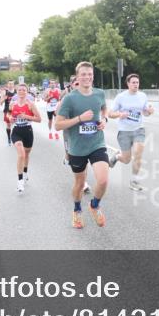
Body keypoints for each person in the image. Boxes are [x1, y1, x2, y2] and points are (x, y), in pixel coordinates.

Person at [56, 62, 109, 228]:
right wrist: (79, 119)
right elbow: (58, 125)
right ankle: (77, 210)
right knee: (79, 183)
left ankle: (94, 205)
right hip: (77, 148)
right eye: (83, 74)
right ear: (77, 77)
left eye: (90, 74)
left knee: (103, 180)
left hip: (97, 143)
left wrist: (104, 120)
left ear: (93, 76)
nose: (87, 77)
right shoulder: (69, 99)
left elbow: (104, 109)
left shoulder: (100, 93)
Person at [108, 73, 155, 191]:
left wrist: (149, 111)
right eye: (133, 82)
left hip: (139, 129)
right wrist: (120, 114)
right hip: (124, 131)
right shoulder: (121, 97)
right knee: (126, 159)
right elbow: (110, 114)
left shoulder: (142, 96)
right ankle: (117, 157)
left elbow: (145, 113)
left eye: (137, 82)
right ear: (128, 84)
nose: (135, 84)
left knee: (138, 154)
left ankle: (134, 181)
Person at [10, 83, 41, 193]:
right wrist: (11, 119)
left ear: (27, 92)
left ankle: (25, 171)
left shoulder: (30, 104)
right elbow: (10, 117)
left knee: (26, 154)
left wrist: (26, 116)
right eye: (19, 90)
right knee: (21, 154)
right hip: (17, 131)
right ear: (17, 91)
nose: (21, 92)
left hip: (27, 131)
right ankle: (20, 181)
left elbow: (39, 119)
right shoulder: (13, 104)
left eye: (23, 90)